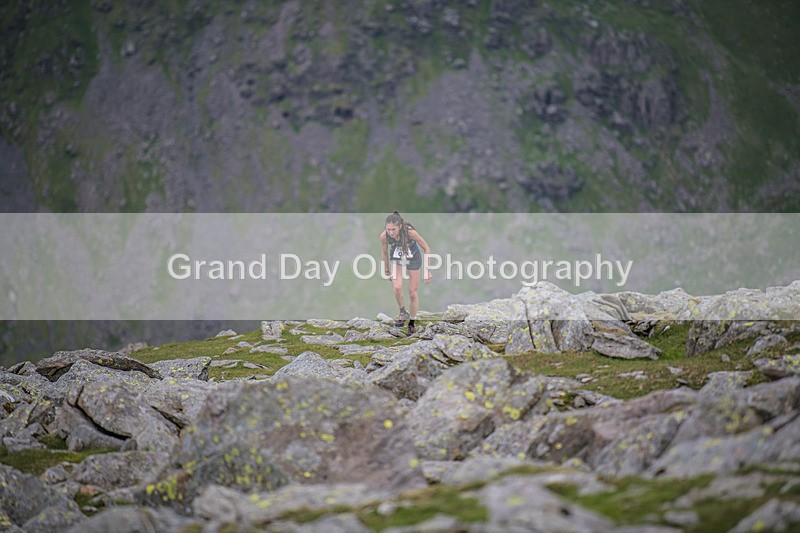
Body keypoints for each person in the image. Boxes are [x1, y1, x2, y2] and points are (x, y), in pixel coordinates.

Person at [380, 211, 432, 335]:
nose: (391, 233)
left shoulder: (410, 233)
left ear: (400, 226)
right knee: (397, 287)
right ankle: (403, 312)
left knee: (412, 293)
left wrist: (427, 270)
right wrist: (386, 269)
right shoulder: (384, 236)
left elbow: (426, 248)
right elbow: (384, 253)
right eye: (388, 229)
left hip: (413, 259)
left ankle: (412, 323)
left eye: (393, 229)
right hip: (397, 259)